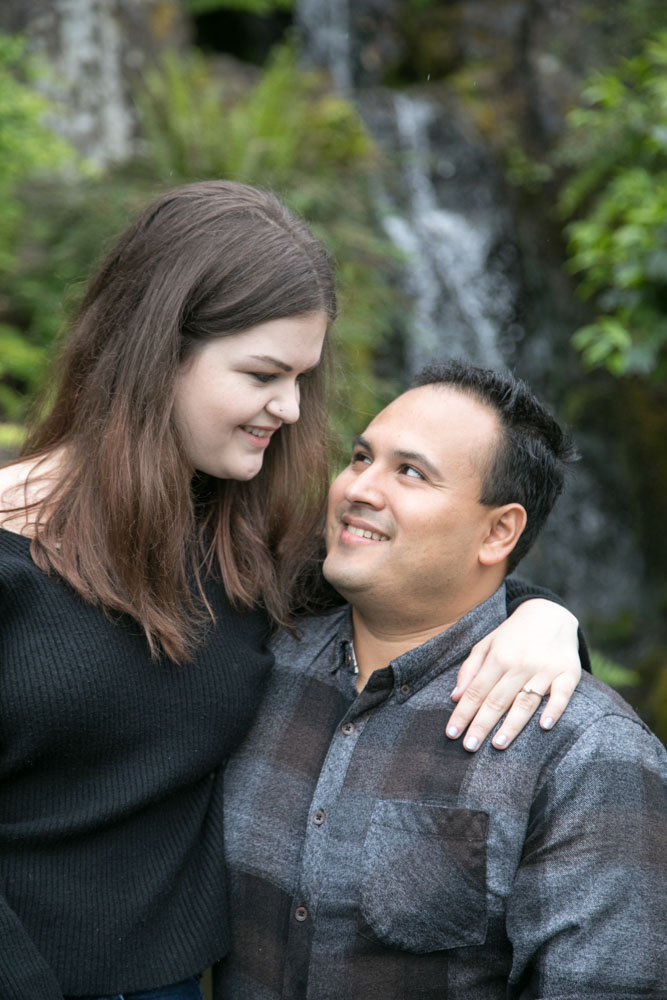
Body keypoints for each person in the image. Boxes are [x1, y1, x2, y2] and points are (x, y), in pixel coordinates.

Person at [0, 182, 583, 1000]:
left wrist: (543, 616)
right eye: (263, 374)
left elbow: (427, 577)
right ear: (155, 352)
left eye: (303, 376)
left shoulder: (245, 550)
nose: (289, 407)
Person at [219, 360, 667, 999]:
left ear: (499, 531)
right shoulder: (255, 664)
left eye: (410, 472)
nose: (360, 488)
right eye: (359, 457)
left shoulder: (585, 750)